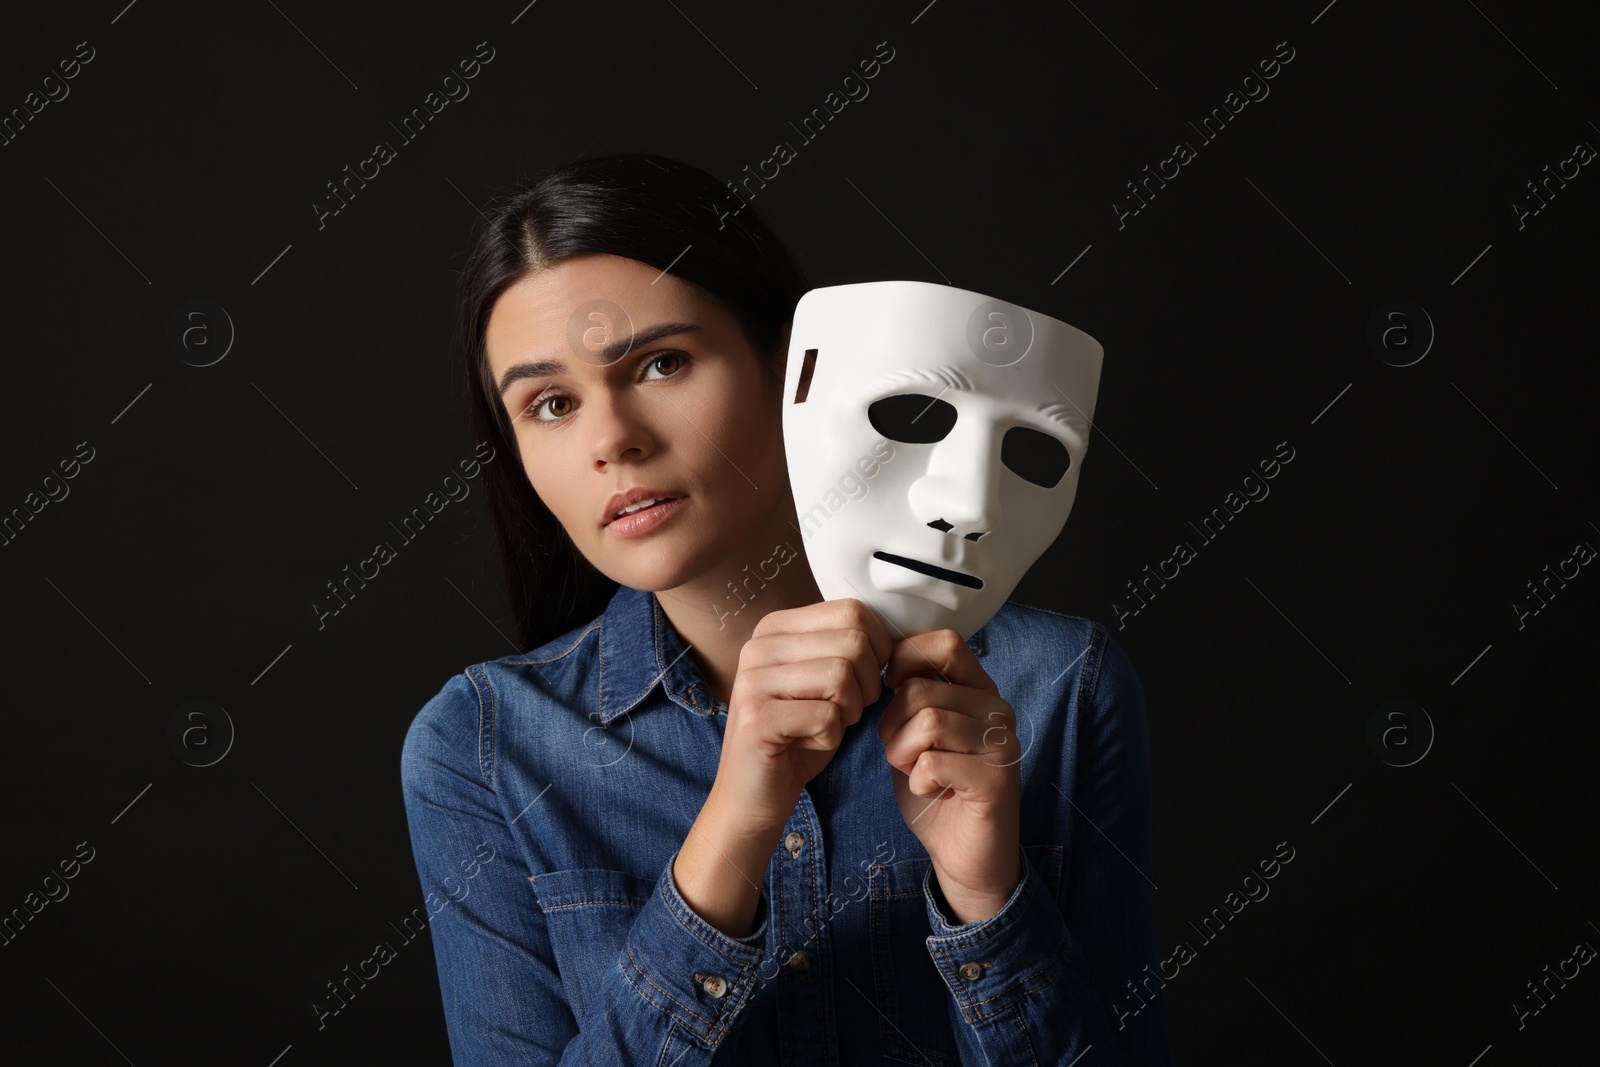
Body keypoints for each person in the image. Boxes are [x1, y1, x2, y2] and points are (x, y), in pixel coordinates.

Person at [399, 153, 1174, 1065]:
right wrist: (735, 823)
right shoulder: (482, 745)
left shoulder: (1056, 690)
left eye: (662, 362)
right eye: (552, 403)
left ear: (795, 368)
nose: (613, 439)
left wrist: (987, 898)